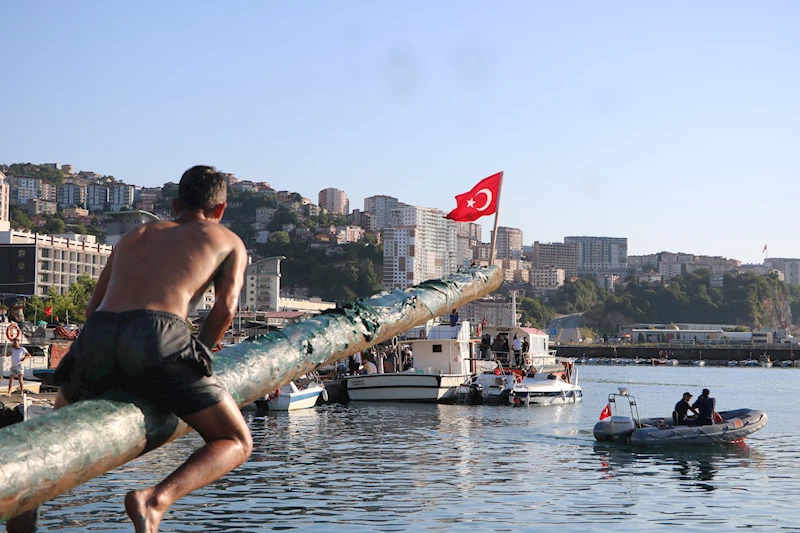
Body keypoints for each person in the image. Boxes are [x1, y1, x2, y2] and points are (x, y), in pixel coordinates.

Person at [48, 166, 253, 533]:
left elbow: (91, 310)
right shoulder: (227, 239)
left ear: (175, 205)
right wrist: (200, 354)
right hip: (159, 332)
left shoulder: (134, 235)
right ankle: (155, 500)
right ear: (220, 209)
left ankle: (29, 497)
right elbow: (225, 309)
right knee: (235, 440)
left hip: (99, 332)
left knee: (54, 423)